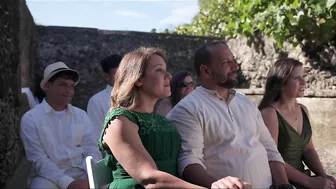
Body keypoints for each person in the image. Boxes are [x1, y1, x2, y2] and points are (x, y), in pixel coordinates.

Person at [98, 47, 249, 189]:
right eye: (159, 70)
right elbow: (150, 179)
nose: (169, 75)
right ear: (138, 79)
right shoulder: (119, 120)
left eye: (165, 69)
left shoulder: (162, 121)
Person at [166, 41, 292, 189]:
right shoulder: (188, 109)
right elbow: (189, 162)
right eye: (226, 62)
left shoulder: (246, 102)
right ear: (206, 71)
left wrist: (285, 186)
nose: (235, 67)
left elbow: (270, 150)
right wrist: (215, 185)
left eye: (234, 60)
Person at [20, 62, 102, 189]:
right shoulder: (30, 119)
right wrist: (68, 183)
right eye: (62, 84)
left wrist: (91, 175)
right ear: (47, 86)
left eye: (71, 86)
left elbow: (91, 149)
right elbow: (38, 160)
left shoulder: (81, 115)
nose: (69, 90)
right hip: (48, 176)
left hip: (82, 171)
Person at [259, 58, 336, 189]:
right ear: (282, 84)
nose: (304, 82)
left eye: (303, 77)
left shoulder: (302, 109)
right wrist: (309, 182)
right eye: (297, 78)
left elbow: (308, 150)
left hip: (303, 179)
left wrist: (324, 177)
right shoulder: (269, 114)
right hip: (282, 183)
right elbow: (272, 159)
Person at [87, 54, 122, 140]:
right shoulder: (97, 101)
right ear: (107, 76)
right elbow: (96, 135)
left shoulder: (139, 95)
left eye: (123, 72)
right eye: (116, 73)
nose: (121, 76)